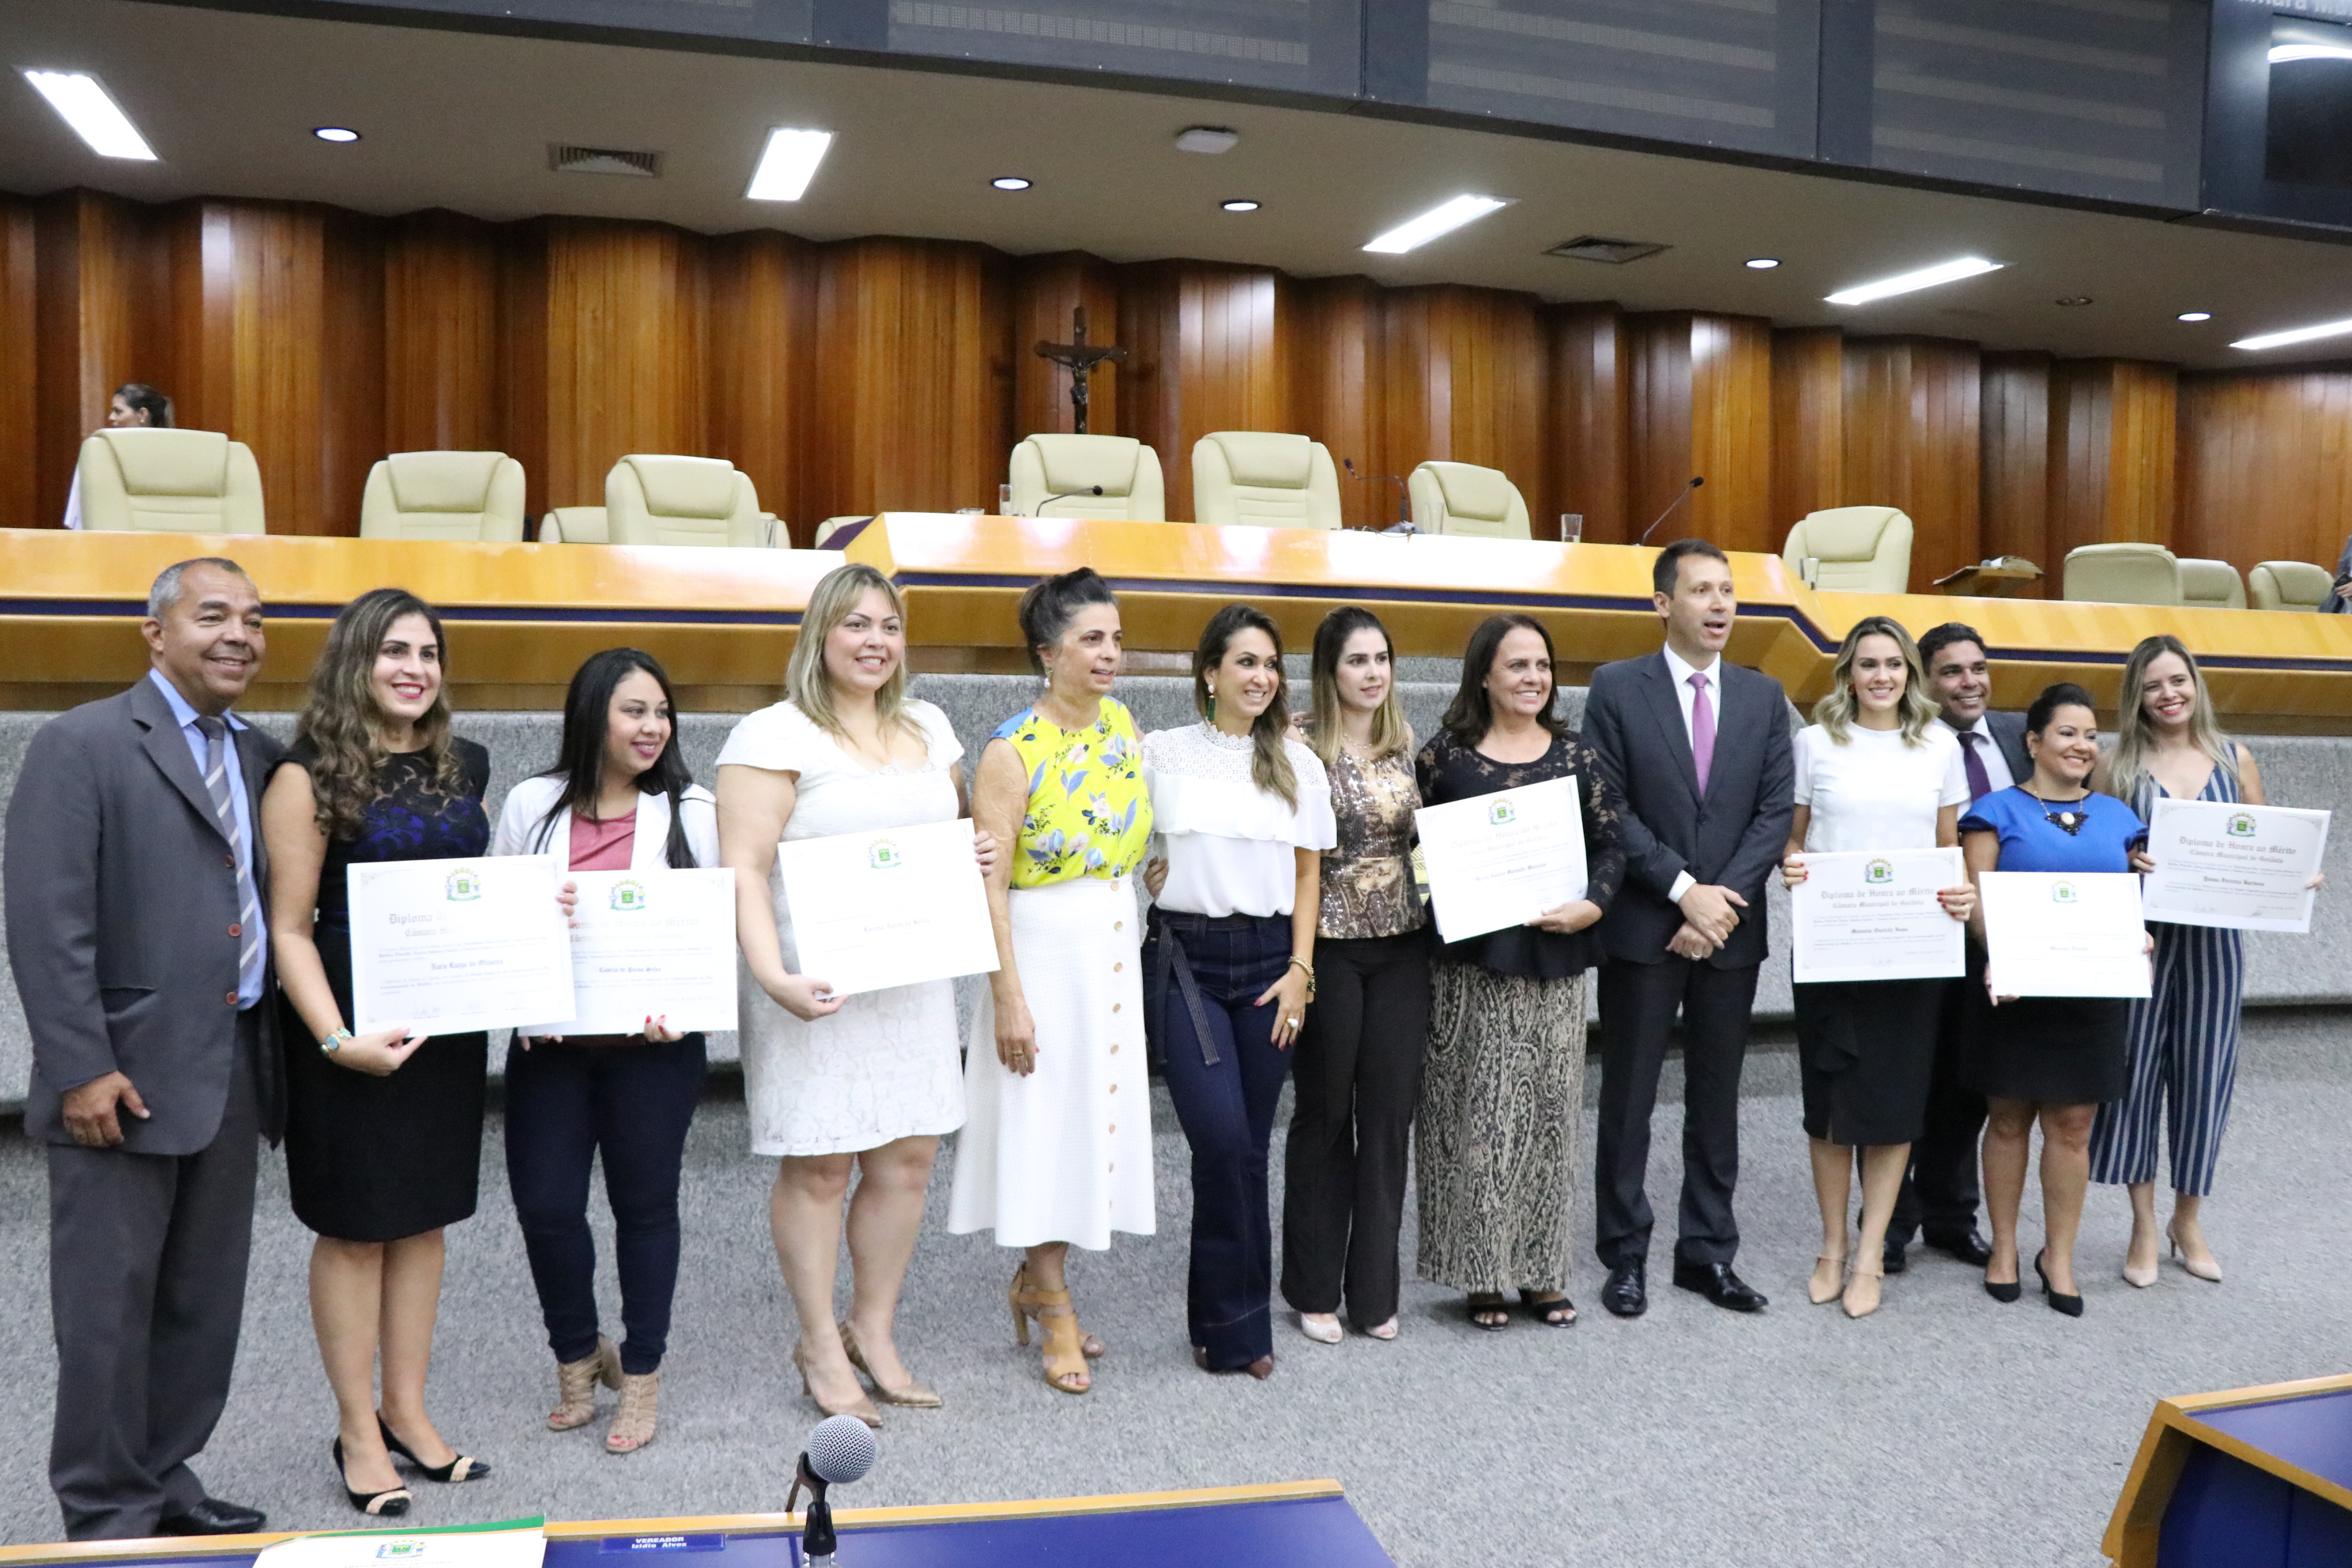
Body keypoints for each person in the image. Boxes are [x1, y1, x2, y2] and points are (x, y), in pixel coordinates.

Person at [4, 559, 279, 1540]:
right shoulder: (80, 744)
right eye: (214, 616)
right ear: (155, 633)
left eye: (255, 619)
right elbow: (47, 922)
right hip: (118, 1076)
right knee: (107, 1311)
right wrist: (79, 1065)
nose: (240, 635)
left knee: (202, 1304)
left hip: (234, 1066)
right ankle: (106, 1507)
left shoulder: (262, 755)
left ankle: (164, 1477)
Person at [718, 563, 989, 1426]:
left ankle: (872, 1329)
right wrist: (773, 978)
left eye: (890, 626)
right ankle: (818, 1345)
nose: (876, 641)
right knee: (822, 1164)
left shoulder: (930, 726)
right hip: (814, 983)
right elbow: (743, 872)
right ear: (820, 634)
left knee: (908, 1158)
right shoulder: (772, 735)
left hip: (911, 978)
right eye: (857, 624)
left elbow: (949, 835)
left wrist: (974, 850)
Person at [262, 588, 497, 1513]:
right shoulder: (308, 773)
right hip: (348, 1028)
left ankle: (407, 1408)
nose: (414, 668)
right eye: (394, 651)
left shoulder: (463, 764)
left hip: (442, 1025)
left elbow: (475, 889)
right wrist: (335, 1040)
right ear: (355, 661)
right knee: (357, 1229)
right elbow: (289, 928)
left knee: (424, 1219)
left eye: (428, 653)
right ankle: (357, 1429)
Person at [491, 649, 718, 1453]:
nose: (654, 727)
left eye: (662, 711)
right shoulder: (532, 803)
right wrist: (530, 941)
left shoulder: (692, 807)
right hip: (550, 1047)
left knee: (645, 1208)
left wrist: (684, 1007)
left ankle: (643, 1373)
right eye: (634, 711)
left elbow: (709, 926)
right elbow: (496, 916)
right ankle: (579, 1355)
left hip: (653, 1052)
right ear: (592, 714)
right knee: (547, 1208)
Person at [948, 567, 1156, 1395]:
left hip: (1111, 943)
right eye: (1091, 639)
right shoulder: (1011, 749)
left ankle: (1040, 1281)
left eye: (1116, 638)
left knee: (1087, 1121)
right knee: (1042, 1120)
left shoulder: (1123, 723)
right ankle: (1054, 1302)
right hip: (1040, 954)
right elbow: (988, 885)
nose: (1111, 654)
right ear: (1047, 652)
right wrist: (1008, 997)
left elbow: (1130, 829)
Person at [1584, 539, 1792, 1318]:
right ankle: (1624, 1253)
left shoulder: (1764, 695)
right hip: (1646, 926)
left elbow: (1774, 813)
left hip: (1728, 933)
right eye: (1702, 590)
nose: (1720, 604)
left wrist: (1717, 905)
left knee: (1716, 1098)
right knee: (1629, 1096)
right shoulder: (1617, 687)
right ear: (1662, 603)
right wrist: (1682, 891)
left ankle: (1708, 1252)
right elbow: (1609, 807)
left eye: (1728, 590)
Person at [1415, 613, 1624, 1330]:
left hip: (1554, 963)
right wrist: (1442, 897)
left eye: (1542, 665)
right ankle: (1480, 1273)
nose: (1533, 678)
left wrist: (1593, 906)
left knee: (1548, 1120)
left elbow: (1613, 846)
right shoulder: (1445, 757)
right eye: (1517, 665)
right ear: (1484, 675)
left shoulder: (1576, 754)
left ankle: (1541, 1274)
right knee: (1475, 1119)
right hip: (1471, 970)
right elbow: (1416, 851)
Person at [1140, 605, 1333, 1378]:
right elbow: (1126, 841)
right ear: (1210, 672)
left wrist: (1300, 973)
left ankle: (1233, 1327)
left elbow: (1309, 875)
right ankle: (1231, 1319)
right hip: (1185, 961)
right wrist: (1147, 872)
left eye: (1271, 664)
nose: (1262, 677)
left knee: (1249, 1149)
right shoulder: (1161, 752)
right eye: (1246, 662)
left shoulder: (1298, 764)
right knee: (1220, 1142)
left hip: (1270, 967)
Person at [1778, 617, 1975, 1318]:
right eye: (1868, 664)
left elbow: (1948, 848)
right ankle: (1831, 1246)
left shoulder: (1940, 745)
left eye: (1894, 664)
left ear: (1910, 675)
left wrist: (1961, 891)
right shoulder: (1814, 742)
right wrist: (1791, 865)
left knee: (1895, 1106)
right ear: (1848, 674)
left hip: (1912, 952)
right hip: (1833, 948)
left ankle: (1870, 1254)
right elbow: (1794, 840)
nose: (1882, 676)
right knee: (1830, 1106)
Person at [2091, 635, 2297, 1287]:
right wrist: (2124, 860)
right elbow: (2094, 853)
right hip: (2141, 941)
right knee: (2134, 1077)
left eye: (2177, 680)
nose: (2168, 694)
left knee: (2206, 1079)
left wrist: (2294, 877)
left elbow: (2266, 846)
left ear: (2195, 684)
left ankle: (2188, 1219)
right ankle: (2143, 1224)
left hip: (2215, 946)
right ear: (2137, 695)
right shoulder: (2115, 764)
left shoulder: (2234, 758)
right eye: (2153, 685)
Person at [1958, 683, 2145, 1317]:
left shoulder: (2121, 818)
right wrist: (1998, 955)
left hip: (2090, 996)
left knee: (2072, 1126)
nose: (2082, 745)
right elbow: (1978, 901)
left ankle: (2058, 1255)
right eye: (2067, 732)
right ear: (2034, 742)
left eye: (2091, 735)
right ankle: (2006, 1248)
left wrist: (2139, 933)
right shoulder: (1994, 811)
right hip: (2014, 990)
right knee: (2008, 1120)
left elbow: (2130, 898)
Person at [1281, 608, 1428, 1344]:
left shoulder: (1406, 744)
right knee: (1326, 1112)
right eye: (1357, 661)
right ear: (1329, 671)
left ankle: (1374, 1292)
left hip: (1404, 949)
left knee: (1390, 1117)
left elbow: (1424, 848)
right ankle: (1312, 1287)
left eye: (1381, 659)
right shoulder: (1298, 744)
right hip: (1329, 949)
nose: (1373, 673)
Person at [1882, 623, 2031, 1274]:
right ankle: (1890, 1224)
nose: (1969, 683)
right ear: (1924, 682)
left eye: (1978, 668)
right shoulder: (1903, 742)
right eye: (1951, 671)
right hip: (1922, 928)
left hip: (2003, 933)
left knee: (1970, 1085)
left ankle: (1951, 1216)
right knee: (1908, 1078)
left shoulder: (2020, 736)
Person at [62, 383, 173, 531]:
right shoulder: (101, 453)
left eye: (118, 411)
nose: (111, 417)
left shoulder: (173, 454)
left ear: (142, 414)